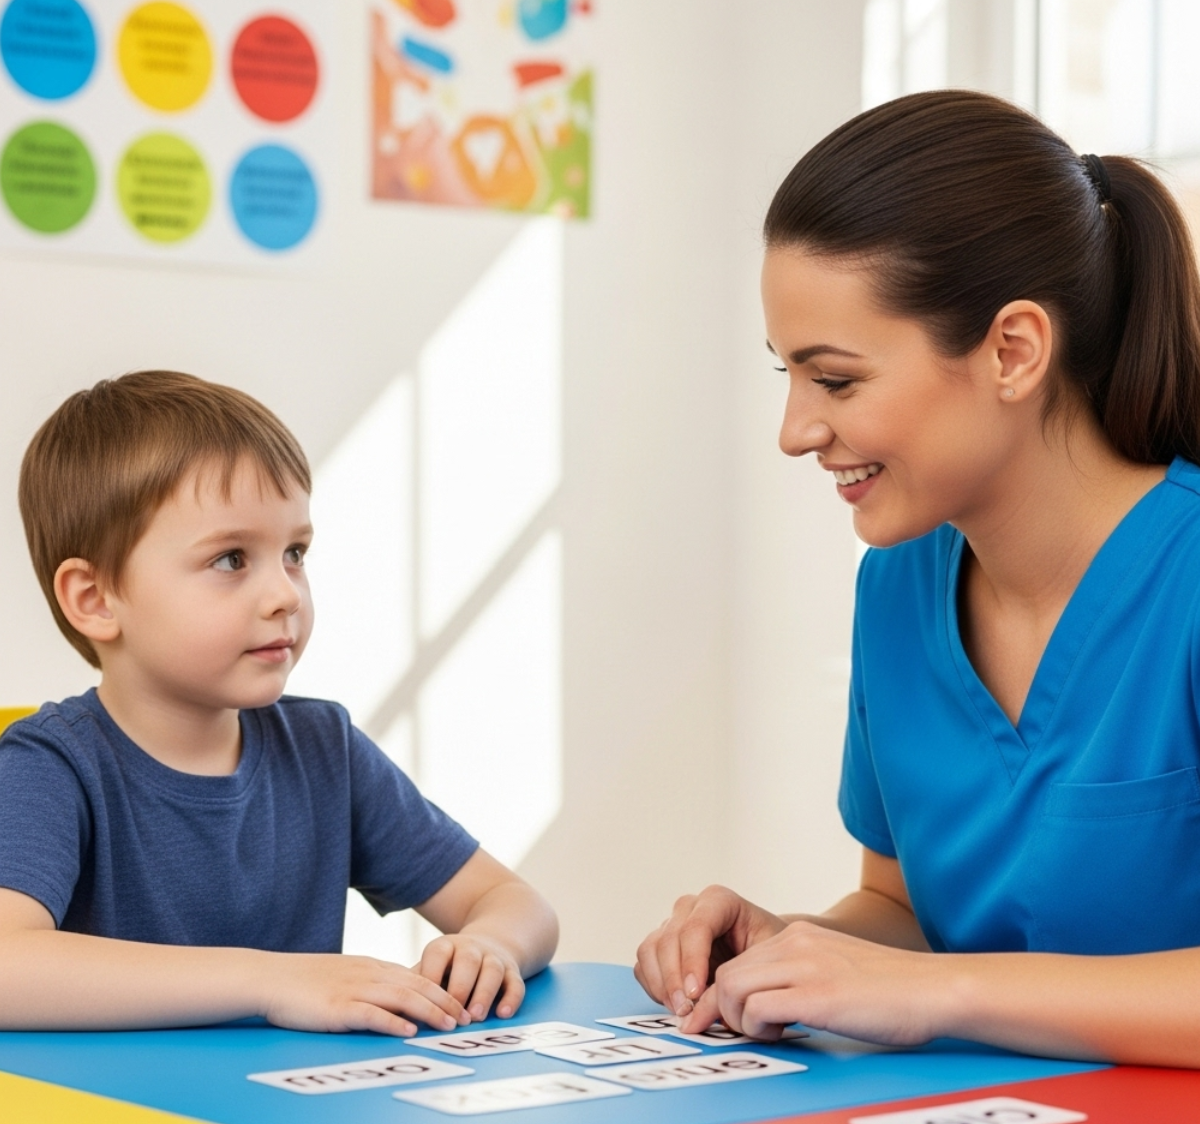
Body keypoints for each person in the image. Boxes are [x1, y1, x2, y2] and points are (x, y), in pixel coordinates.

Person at [635, 88, 1200, 1068]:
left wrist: (936, 990)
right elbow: (904, 908)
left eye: (837, 379)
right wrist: (792, 946)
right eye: (788, 376)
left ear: (1012, 351)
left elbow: (941, 974)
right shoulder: (896, 586)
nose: (796, 430)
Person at [0, 370, 558, 1034]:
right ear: (95, 599)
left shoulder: (325, 750)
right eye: (232, 559)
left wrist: (490, 945)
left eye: (294, 553)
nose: (286, 594)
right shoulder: (49, 766)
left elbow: (515, 902)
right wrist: (272, 980)